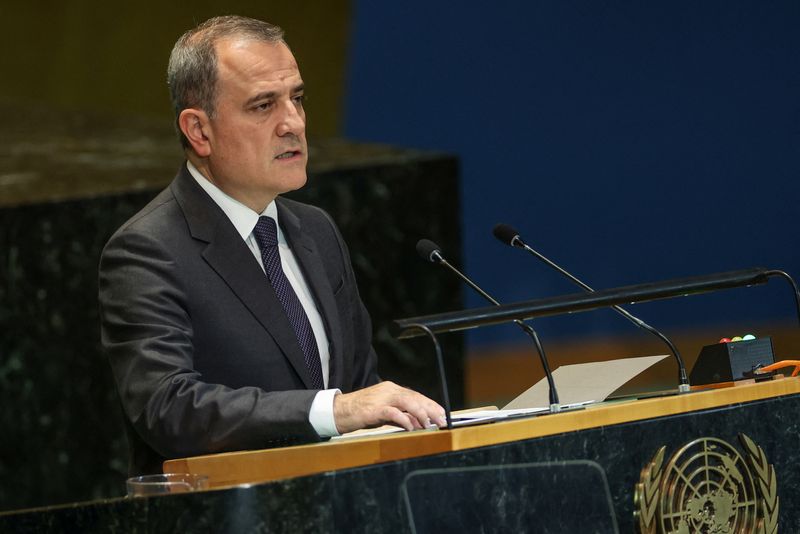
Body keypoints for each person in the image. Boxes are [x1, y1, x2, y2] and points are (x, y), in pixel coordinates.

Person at [99, 15, 445, 476]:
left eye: (297, 98)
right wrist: (333, 411)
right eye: (263, 106)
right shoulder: (148, 250)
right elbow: (169, 407)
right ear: (199, 131)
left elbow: (362, 387)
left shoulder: (316, 230)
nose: (293, 123)